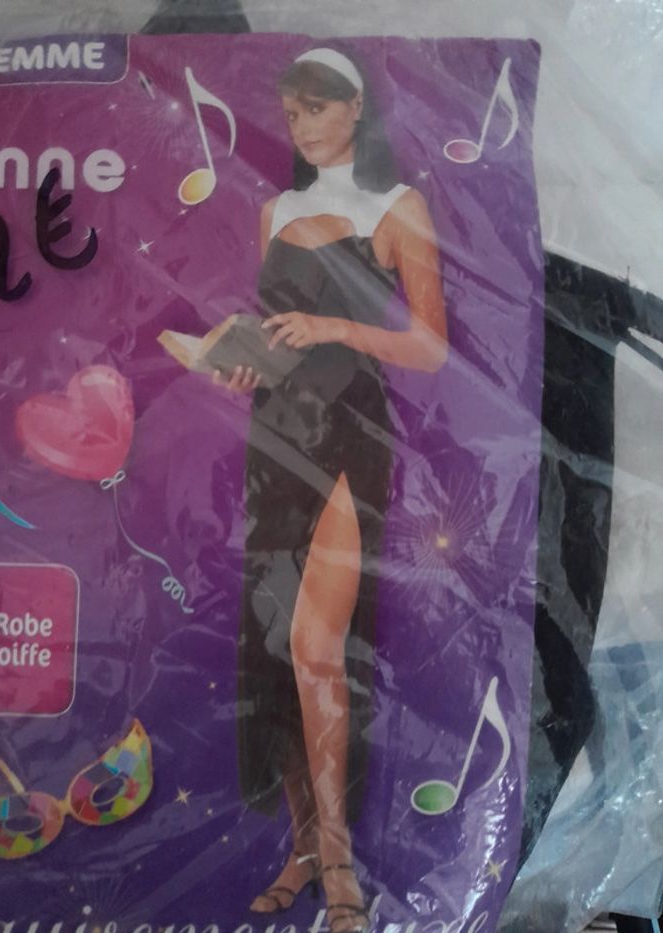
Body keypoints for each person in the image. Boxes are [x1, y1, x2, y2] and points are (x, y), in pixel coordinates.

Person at [212, 47, 448, 932]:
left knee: (319, 643)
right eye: (292, 112)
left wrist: (332, 327)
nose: (302, 126)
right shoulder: (274, 209)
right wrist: (246, 361)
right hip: (275, 436)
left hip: (352, 433)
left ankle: (339, 856)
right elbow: (274, 329)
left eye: (317, 108)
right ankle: (303, 846)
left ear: (355, 109)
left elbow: (429, 346)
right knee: (279, 649)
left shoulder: (398, 206)